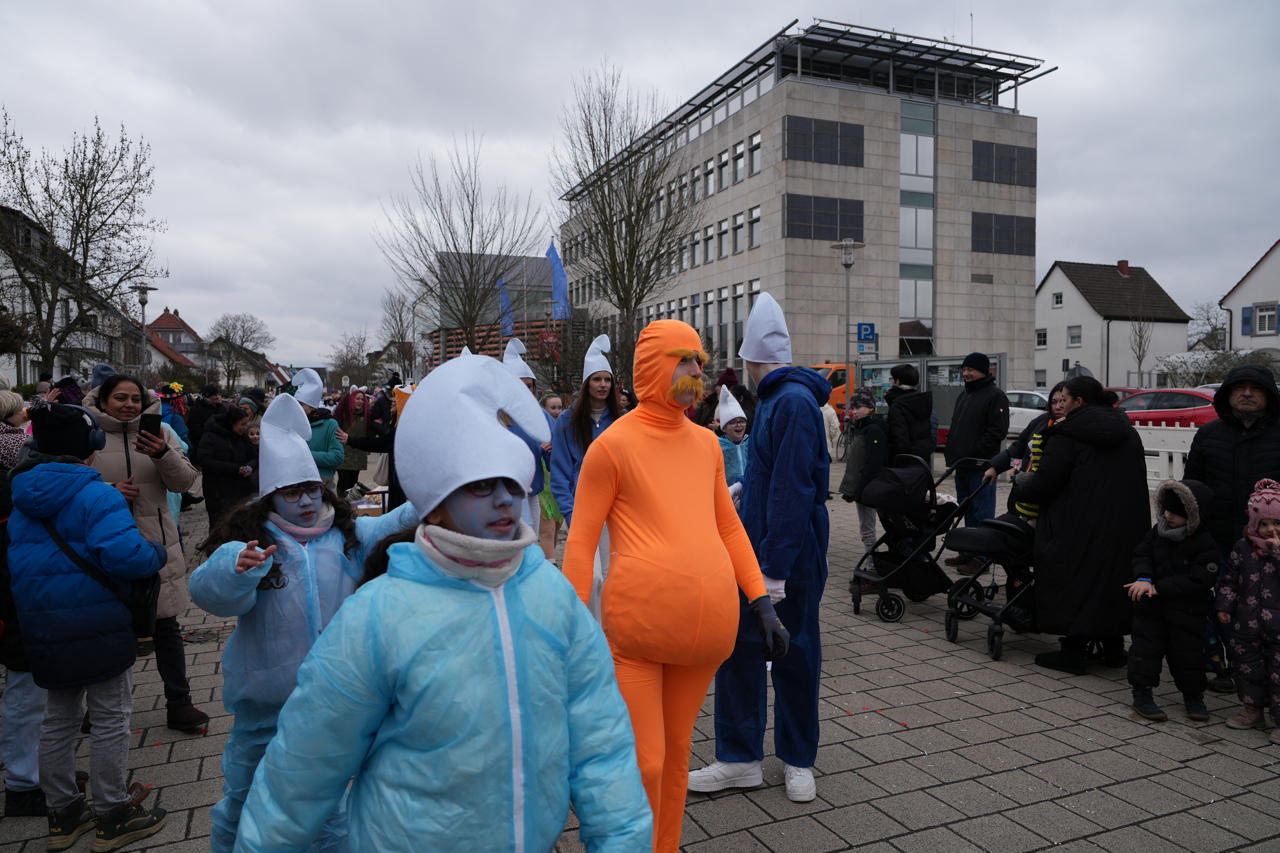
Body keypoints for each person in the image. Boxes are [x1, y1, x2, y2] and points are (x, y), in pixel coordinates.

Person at [234, 353, 651, 851]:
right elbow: (303, 770)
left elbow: (601, 742)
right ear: (436, 499)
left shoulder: (550, 594)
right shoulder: (379, 615)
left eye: (509, 483)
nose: (502, 500)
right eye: (478, 486)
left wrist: (622, 840)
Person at [562, 319, 783, 851]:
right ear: (650, 368)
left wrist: (760, 600)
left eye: (699, 362)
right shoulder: (612, 446)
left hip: (703, 635)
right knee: (646, 760)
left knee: (678, 754)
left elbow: (728, 526)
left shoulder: (706, 444)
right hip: (636, 634)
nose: (695, 371)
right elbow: (581, 542)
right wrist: (564, 622)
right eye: (683, 359)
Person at [191, 393, 418, 853]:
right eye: (293, 493)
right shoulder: (252, 542)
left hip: (331, 702)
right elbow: (207, 593)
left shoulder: (347, 536)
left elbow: (401, 521)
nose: (307, 501)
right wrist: (237, 567)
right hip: (265, 705)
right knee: (245, 797)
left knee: (327, 804)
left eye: (312, 490)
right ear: (273, 496)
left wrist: (443, 483)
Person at [7, 401, 168, 851]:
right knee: (112, 716)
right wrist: (155, 553)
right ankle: (113, 812)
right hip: (97, 620)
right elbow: (125, 557)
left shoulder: (21, 493)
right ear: (91, 445)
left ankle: (63, 812)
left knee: (57, 718)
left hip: (42, 624)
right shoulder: (97, 493)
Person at [691, 294, 829, 804]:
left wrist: (772, 569)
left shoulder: (787, 401)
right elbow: (778, 477)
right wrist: (746, 492)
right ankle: (741, 758)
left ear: (751, 360)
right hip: (766, 550)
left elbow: (795, 491)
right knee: (744, 651)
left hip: (781, 558)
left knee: (790, 652)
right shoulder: (778, 399)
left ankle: (794, 759)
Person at [86, 374, 207, 733]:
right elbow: (72, 484)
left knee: (166, 627)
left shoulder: (163, 433)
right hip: (103, 545)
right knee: (105, 629)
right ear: (104, 400)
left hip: (157, 542)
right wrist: (109, 492)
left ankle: (179, 702)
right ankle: (98, 708)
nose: (128, 405)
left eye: (135, 399)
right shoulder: (88, 435)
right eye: (120, 398)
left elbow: (185, 483)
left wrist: (162, 454)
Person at [1012, 376, 1148, 675]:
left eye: (1065, 398)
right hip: (1123, 525)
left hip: (1073, 525)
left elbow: (1045, 483)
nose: (1060, 404)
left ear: (1079, 402)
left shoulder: (1067, 435)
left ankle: (1072, 652)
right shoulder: (1126, 430)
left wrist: (1021, 481)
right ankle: (1113, 648)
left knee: (1072, 581)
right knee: (1110, 582)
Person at [1185, 365, 1280, 692]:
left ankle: (1263, 670)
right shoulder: (1210, 435)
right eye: (1240, 387)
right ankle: (1218, 664)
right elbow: (1192, 486)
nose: (1248, 393)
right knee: (1218, 605)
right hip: (1218, 538)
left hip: (1270, 543)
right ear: (1227, 394)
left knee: (1263, 609)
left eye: (1256, 388)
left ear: (1268, 395)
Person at [1126, 479, 1218, 723]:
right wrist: (1144, 578)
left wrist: (1160, 587)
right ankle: (1142, 693)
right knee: (1145, 651)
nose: (1167, 516)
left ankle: (1193, 696)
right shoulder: (1158, 531)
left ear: (1192, 515)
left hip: (1187, 610)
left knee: (1187, 655)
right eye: (1166, 510)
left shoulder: (1205, 542)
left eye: (1175, 514)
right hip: (1151, 607)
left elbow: (1201, 578)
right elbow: (1141, 553)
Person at [0, 390, 48, 820]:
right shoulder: (13, 477)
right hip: (17, 599)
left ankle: (30, 774)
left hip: (20, 595)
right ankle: (22, 784)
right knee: (24, 693)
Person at [1217, 478, 1280, 740]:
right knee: (1248, 668)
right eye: (1263, 524)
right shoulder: (1242, 548)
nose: (1269, 530)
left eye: (1276, 523)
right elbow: (1229, 578)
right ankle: (1252, 710)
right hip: (1247, 624)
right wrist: (1225, 605)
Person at [551, 334, 621, 529]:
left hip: (617, 511)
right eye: (597, 379)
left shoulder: (622, 420)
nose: (603, 384)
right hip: (581, 507)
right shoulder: (566, 421)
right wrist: (570, 513)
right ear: (586, 384)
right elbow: (560, 470)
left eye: (607, 379)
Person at [982, 381, 1068, 524]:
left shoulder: (1071, 428)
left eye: (1063, 401)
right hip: (1021, 498)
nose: (1058, 406)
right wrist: (995, 466)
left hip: (1045, 508)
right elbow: (1018, 446)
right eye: (1054, 401)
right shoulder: (1042, 420)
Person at [838, 389, 888, 553]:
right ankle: (871, 562)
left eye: (859, 407)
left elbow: (873, 463)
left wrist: (859, 489)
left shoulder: (873, 429)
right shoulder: (862, 428)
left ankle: (871, 565)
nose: (855, 411)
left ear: (871, 407)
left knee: (867, 529)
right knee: (866, 528)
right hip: (863, 487)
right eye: (853, 407)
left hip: (868, 488)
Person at [198, 405, 258, 529]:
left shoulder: (243, 437)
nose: (245, 428)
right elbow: (205, 461)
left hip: (243, 490)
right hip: (218, 492)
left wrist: (250, 466)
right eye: (242, 424)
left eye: (246, 424)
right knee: (221, 526)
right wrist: (236, 469)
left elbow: (254, 456)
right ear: (231, 423)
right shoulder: (210, 436)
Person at [291, 369, 343, 487]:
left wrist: (305, 454)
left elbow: (337, 457)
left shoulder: (330, 425)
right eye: (295, 404)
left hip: (322, 484)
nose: (297, 408)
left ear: (312, 407)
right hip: (294, 483)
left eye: (301, 405)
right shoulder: (291, 424)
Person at [885, 363, 934, 461]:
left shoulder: (898, 405)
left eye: (892, 379)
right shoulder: (922, 400)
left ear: (897, 381)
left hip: (903, 461)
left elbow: (899, 439)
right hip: (921, 459)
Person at [331, 386, 370, 495]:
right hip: (344, 456)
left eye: (362, 399)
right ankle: (342, 505)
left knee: (353, 484)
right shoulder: (343, 414)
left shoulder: (366, 415)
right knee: (344, 483)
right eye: (357, 398)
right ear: (351, 399)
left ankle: (350, 505)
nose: (360, 401)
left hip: (358, 455)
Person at [718, 385, 750, 488]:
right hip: (728, 494)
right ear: (724, 428)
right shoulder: (718, 447)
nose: (739, 425)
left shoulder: (751, 442)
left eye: (742, 421)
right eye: (733, 422)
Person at [187, 383, 225, 455]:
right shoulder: (196, 409)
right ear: (207, 396)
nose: (218, 397)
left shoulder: (220, 407)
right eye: (215, 395)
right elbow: (195, 430)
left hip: (219, 446)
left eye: (218, 394)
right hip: (203, 446)